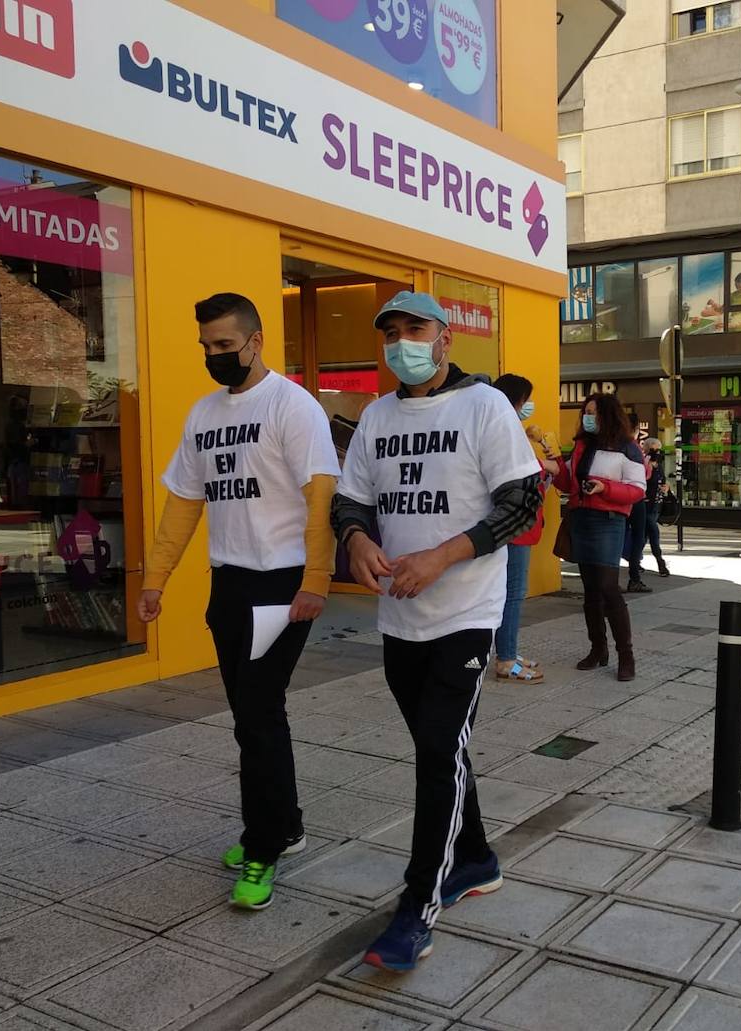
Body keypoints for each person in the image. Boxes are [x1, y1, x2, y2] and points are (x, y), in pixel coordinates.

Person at [333, 292, 542, 972]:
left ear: (445, 338)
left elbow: (523, 503)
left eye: (415, 328)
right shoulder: (377, 416)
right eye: (390, 332)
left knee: (435, 751)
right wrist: (357, 538)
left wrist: (443, 555)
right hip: (399, 617)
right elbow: (349, 499)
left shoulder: (484, 407)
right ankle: (475, 858)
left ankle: (417, 905)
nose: (402, 342)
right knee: (442, 747)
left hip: (466, 614)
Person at [137, 292, 339, 910]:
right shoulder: (203, 413)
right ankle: (286, 825)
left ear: (256, 341)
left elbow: (321, 498)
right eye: (207, 346)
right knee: (253, 712)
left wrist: (316, 580)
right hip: (229, 583)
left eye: (225, 344)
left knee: (257, 717)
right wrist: (155, 577)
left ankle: (263, 847)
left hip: (282, 583)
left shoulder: (292, 406)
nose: (214, 355)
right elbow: (183, 504)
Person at [553, 393, 647, 681]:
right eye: (586, 412)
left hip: (608, 521)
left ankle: (626, 655)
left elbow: (637, 489)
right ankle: (598, 649)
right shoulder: (583, 444)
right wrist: (553, 463)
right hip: (581, 518)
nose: (588, 417)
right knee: (591, 590)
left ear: (608, 414)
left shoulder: (627, 447)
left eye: (593, 412)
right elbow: (568, 483)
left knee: (608, 587)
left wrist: (605, 488)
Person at [491, 373, 560, 683]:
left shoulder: (503, 429)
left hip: (514, 524)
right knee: (513, 592)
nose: (528, 406)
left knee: (510, 592)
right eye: (526, 401)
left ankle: (508, 650)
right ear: (516, 401)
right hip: (514, 525)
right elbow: (524, 476)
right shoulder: (506, 433)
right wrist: (546, 467)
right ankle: (506, 659)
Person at [637, 436, 671, 579]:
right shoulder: (643, 463)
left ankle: (635, 561)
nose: (656, 453)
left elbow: (662, 480)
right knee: (653, 532)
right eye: (653, 450)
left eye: (658, 450)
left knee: (644, 535)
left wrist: (666, 487)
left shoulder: (659, 465)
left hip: (657, 504)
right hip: (645, 503)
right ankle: (660, 562)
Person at [624, 433, 654, 594]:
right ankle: (634, 578)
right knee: (638, 537)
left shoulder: (611, 445)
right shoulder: (634, 448)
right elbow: (644, 475)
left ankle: (610, 580)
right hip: (635, 497)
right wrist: (649, 464)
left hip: (618, 497)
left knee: (617, 536)